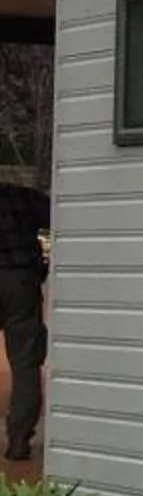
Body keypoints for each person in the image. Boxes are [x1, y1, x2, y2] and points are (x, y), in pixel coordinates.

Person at [0, 169, 47, 462]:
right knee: (25, 362)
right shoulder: (21, 195)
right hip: (20, 280)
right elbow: (63, 216)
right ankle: (18, 440)